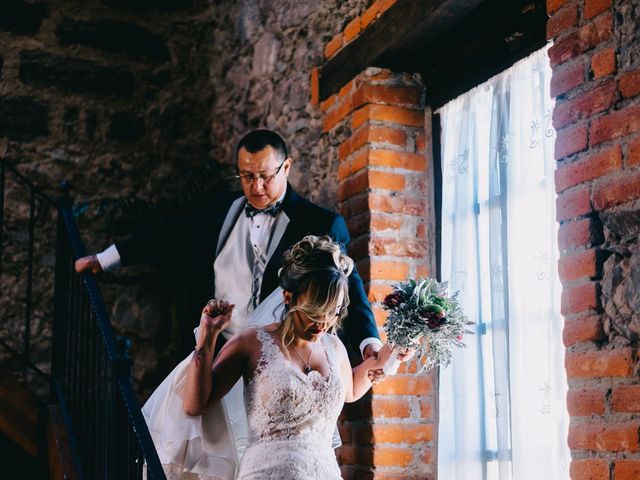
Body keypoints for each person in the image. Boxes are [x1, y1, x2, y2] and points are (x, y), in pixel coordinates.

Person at [75, 129, 381, 359]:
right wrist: (106, 258)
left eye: (265, 176)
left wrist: (369, 342)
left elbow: (346, 285)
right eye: (246, 176)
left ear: (286, 168)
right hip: (219, 352)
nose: (255, 186)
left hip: (284, 358)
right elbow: (167, 232)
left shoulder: (321, 224)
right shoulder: (218, 208)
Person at [184, 236, 392, 479]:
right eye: (314, 312)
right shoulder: (251, 343)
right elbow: (195, 405)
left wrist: (394, 351)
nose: (323, 322)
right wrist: (207, 338)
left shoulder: (334, 347)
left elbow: (352, 389)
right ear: (288, 298)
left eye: (332, 312)